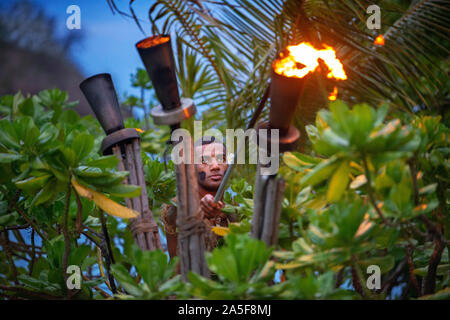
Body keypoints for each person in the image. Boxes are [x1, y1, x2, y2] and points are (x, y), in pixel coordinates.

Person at [160, 136, 237, 259]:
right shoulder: (175, 207)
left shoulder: (235, 210)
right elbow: (175, 216)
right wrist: (197, 210)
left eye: (221, 158)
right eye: (204, 160)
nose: (215, 166)